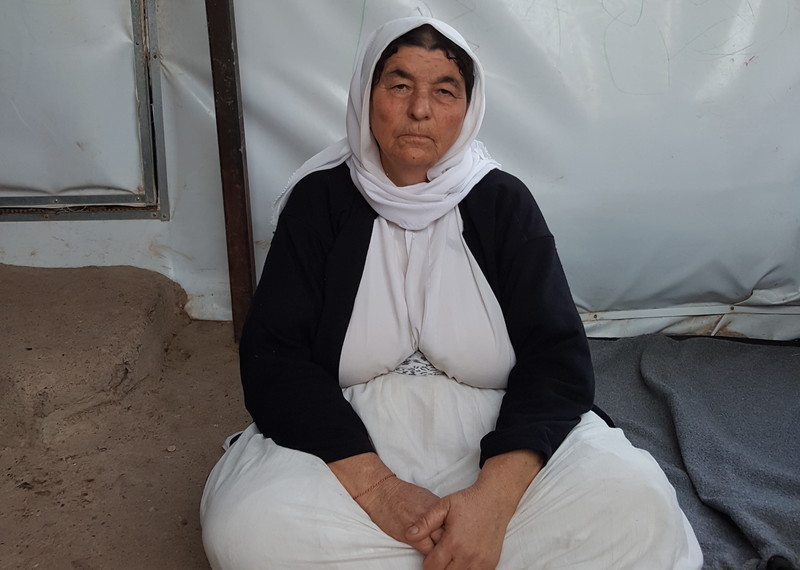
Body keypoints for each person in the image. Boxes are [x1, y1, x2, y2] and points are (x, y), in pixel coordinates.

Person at [200, 16, 703, 570]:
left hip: (500, 432)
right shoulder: (319, 202)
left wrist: (494, 501)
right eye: (399, 85)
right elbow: (276, 360)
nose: (420, 109)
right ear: (366, 95)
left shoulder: (503, 203)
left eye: (444, 91)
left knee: (637, 509)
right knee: (249, 530)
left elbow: (557, 358)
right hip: (347, 439)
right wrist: (379, 490)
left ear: (468, 108)